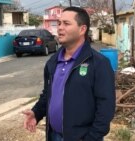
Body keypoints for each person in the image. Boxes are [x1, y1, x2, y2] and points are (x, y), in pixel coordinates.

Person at [23, 6, 115, 141]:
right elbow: (48, 94)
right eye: (59, 23)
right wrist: (36, 113)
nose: (60, 27)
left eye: (66, 23)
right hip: (53, 136)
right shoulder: (53, 62)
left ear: (82, 29)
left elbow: (106, 108)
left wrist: (92, 138)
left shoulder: (99, 63)